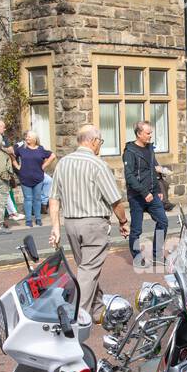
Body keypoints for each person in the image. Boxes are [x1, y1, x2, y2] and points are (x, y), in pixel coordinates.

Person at [49, 124, 129, 318]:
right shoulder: (97, 164)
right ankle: (78, 316)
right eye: (100, 142)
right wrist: (123, 221)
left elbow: (53, 199)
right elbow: (114, 199)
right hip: (93, 224)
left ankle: (97, 309)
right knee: (88, 270)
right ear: (93, 141)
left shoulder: (63, 163)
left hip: (71, 224)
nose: (100, 146)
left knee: (87, 268)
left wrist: (55, 228)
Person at [122, 121, 167, 266]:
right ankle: (137, 257)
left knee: (163, 221)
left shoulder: (149, 149)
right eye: (148, 133)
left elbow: (153, 169)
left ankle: (157, 255)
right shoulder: (130, 152)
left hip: (152, 195)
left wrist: (158, 190)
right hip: (137, 197)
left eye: (150, 133)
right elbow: (129, 177)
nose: (150, 135)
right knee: (136, 230)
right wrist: (144, 192)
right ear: (139, 133)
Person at [15, 131, 53, 229]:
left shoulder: (40, 149)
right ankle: (28, 220)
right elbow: (12, 154)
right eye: (26, 137)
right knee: (28, 199)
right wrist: (17, 166)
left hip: (38, 177)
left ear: (34, 139)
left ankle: (38, 218)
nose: (26, 138)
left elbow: (52, 155)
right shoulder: (21, 149)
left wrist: (44, 165)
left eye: (28, 137)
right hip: (25, 177)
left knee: (37, 199)